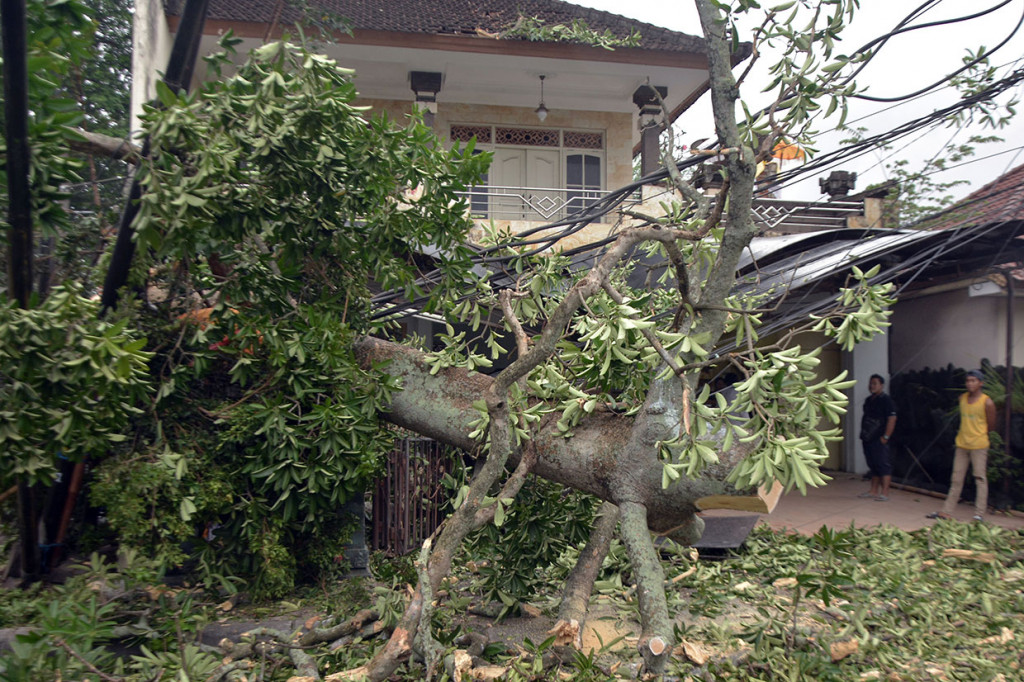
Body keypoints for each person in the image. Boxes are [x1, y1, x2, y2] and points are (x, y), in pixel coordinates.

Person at [927, 369, 997, 522]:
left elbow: (991, 425)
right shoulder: (962, 398)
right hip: (962, 444)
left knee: (980, 478)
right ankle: (946, 511)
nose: (970, 384)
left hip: (979, 445)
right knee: (956, 478)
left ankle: (979, 513)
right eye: (968, 381)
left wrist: (980, 435)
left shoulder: (987, 402)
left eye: (973, 381)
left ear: (981, 383)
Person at [858, 374, 897, 501]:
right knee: (873, 464)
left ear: (881, 385)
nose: (872, 386)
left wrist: (886, 436)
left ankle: (885, 492)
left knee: (883, 464)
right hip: (868, 437)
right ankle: (873, 490)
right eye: (871, 383)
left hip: (879, 438)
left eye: (875, 383)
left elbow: (892, 419)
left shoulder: (887, 401)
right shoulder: (868, 400)